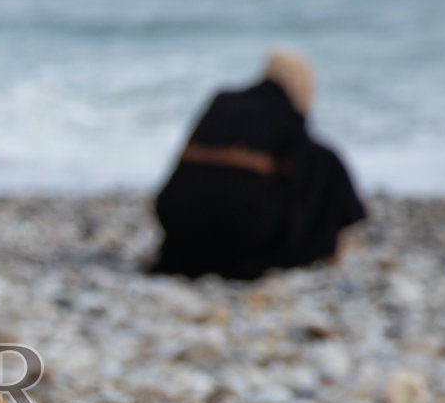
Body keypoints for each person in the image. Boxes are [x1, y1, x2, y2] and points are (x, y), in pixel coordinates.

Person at [148, 49, 366, 281]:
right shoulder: (284, 114)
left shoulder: (223, 100)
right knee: (325, 163)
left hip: (180, 228)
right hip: (240, 235)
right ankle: (329, 250)